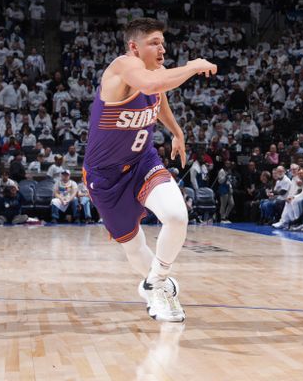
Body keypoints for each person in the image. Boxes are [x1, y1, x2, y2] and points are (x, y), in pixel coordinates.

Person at [82, 18, 216, 322]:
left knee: (176, 216)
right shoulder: (122, 66)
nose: (162, 48)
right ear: (134, 47)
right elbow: (153, 85)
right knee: (134, 246)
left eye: (163, 43)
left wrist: (177, 132)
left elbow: (160, 96)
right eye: (154, 42)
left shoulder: (154, 74)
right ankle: (159, 285)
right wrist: (194, 65)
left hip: (143, 161)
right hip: (106, 175)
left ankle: (155, 283)